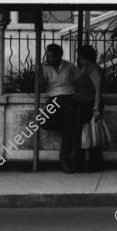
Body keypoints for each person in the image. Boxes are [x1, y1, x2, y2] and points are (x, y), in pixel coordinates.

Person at [38, 44, 81, 173]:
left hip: (68, 98)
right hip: (53, 99)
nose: (48, 58)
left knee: (68, 132)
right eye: (47, 55)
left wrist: (77, 92)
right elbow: (40, 87)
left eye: (51, 56)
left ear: (59, 57)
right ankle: (66, 125)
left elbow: (81, 79)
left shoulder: (68, 66)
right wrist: (39, 73)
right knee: (44, 122)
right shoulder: (44, 67)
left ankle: (65, 160)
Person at [75, 45, 105, 172]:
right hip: (84, 104)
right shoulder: (88, 69)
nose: (80, 61)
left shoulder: (94, 71)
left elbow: (98, 90)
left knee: (88, 134)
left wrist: (96, 108)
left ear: (87, 59)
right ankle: (90, 163)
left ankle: (87, 164)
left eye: (81, 58)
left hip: (90, 105)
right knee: (87, 134)